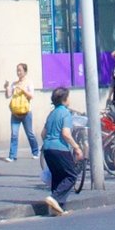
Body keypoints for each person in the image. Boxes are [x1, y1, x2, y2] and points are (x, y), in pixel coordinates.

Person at [38, 87, 82, 216]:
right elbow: (66, 134)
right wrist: (76, 147)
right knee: (71, 175)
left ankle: (56, 208)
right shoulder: (65, 113)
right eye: (68, 96)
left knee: (58, 177)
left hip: (47, 149)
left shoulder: (51, 113)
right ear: (64, 99)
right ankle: (54, 198)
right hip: (60, 149)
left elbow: (43, 134)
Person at [4, 64, 38, 164]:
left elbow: (31, 96)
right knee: (14, 134)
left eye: (20, 70)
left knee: (30, 133)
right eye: (17, 70)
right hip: (15, 112)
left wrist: (23, 90)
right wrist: (7, 87)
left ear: (25, 72)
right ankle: (12, 155)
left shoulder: (29, 83)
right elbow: (8, 96)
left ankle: (35, 152)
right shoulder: (14, 83)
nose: (18, 72)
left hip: (26, 112)